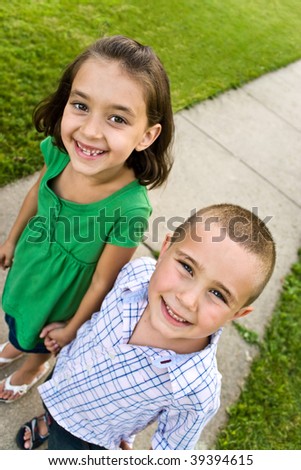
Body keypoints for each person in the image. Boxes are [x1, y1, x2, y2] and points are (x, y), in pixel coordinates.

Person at [16, 203, 276, 450]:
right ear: (165, 249)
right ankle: (47, 421)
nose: (187, 299)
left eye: (218, 294)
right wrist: (72, 329)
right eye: (186, 267)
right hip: (64, 378)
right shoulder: (136, 274)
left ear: (237, 314)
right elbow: (99, 314)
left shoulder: (196, 391)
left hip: (88, 437)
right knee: (51, 407)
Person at [0, 35, 174, 403]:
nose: (90, 131)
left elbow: (102, 281)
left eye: (116, 118)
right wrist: (12, 239)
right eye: (81, 105)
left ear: (147, 135)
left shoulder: (130, 209)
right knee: (18, 315)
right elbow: (36, 193)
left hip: (63, 297)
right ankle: (17, 344)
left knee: (42, 336)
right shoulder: (61, 153)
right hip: (32, 264)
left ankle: (34, 366)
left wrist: (71, 329)